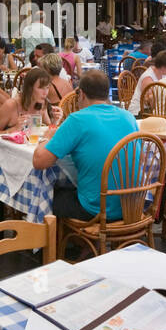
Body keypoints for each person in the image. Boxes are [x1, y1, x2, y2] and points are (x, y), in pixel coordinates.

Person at [32, 70, 139, 223]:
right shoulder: (128, 117)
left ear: (81, 94)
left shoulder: (77, 119)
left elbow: (39, 162)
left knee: (51, 194)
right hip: (130, 206)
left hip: (94, 210)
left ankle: (61, 245)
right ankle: (82, 245)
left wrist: (46, 137)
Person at [0, 66, 60, 134]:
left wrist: (55, 121)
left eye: (47, 88)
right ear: (30, 88)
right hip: (6, 145)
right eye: (41, 88)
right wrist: (14, 129)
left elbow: (48, 130)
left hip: (30, 144)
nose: (45, 93)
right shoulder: (10, 105)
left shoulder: (41, 104)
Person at [129, 46, 166, 115]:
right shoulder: (148, 78)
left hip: (150, 111)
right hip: (139, 113)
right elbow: (149, 102)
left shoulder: (161, 73)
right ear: (164, 67)